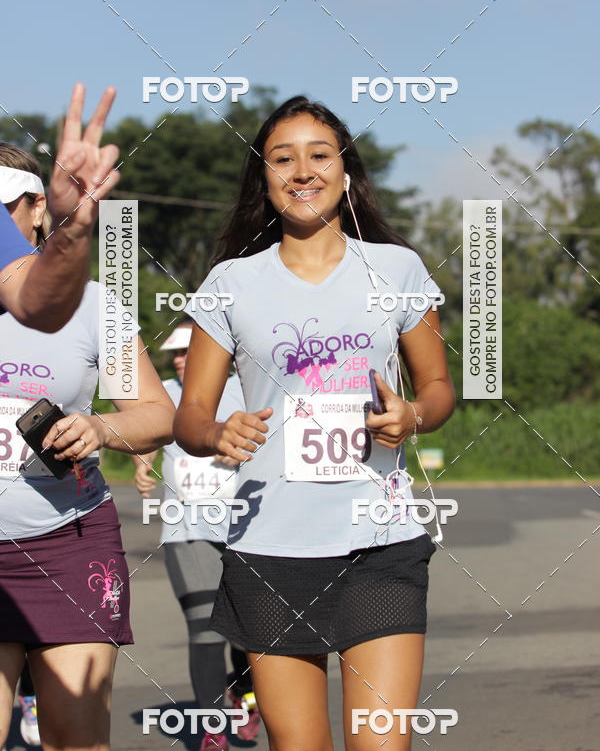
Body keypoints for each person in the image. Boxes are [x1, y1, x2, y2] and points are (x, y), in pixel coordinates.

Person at [174, 96, 456, 750]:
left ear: (345, 170)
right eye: (282, 157)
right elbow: (189, 416)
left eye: (319, 154)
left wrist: (412, 416)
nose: (302, 170)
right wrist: (217, 434)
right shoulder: (230, 283)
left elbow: (440, 389)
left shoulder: (396, 269)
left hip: (380, 548)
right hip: (269, 550)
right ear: (264, 179)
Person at [0, 147, 175, 751]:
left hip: (68, 545)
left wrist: (98, 429)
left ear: (38, 211)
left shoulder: (92, 305)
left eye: (4, 209)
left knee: (75, 742)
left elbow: (157, 416)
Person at [134, 322, 261, 751]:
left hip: (248, 528)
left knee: (248, 631)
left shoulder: (247, 389)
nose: (180, 360)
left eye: (189, 352)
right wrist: (143, 460)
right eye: (176, 354)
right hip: (186, 527)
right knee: (204, 628)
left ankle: (246, 696)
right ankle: (212, 728)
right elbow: (151, 428)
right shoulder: (166, 391)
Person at [0, 82, 119, 331]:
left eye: (6, 204)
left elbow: (40, 307)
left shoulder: (93, 303)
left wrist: (71, 229)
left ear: (37, 208)